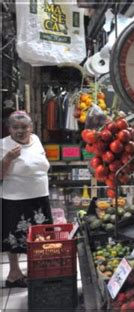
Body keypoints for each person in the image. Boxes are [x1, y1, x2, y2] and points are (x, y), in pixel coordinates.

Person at [1, 111, 52, 287]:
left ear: (31, 128)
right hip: (15, 200)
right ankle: (14, 274)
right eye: (15, 127)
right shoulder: (3, 145)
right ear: (9, 128)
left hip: (39, 198)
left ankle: (35, 272)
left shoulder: (36, 140)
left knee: (39, 238)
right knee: (14, 238)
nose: (20, 131)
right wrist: (7, 159)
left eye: (24, 127)